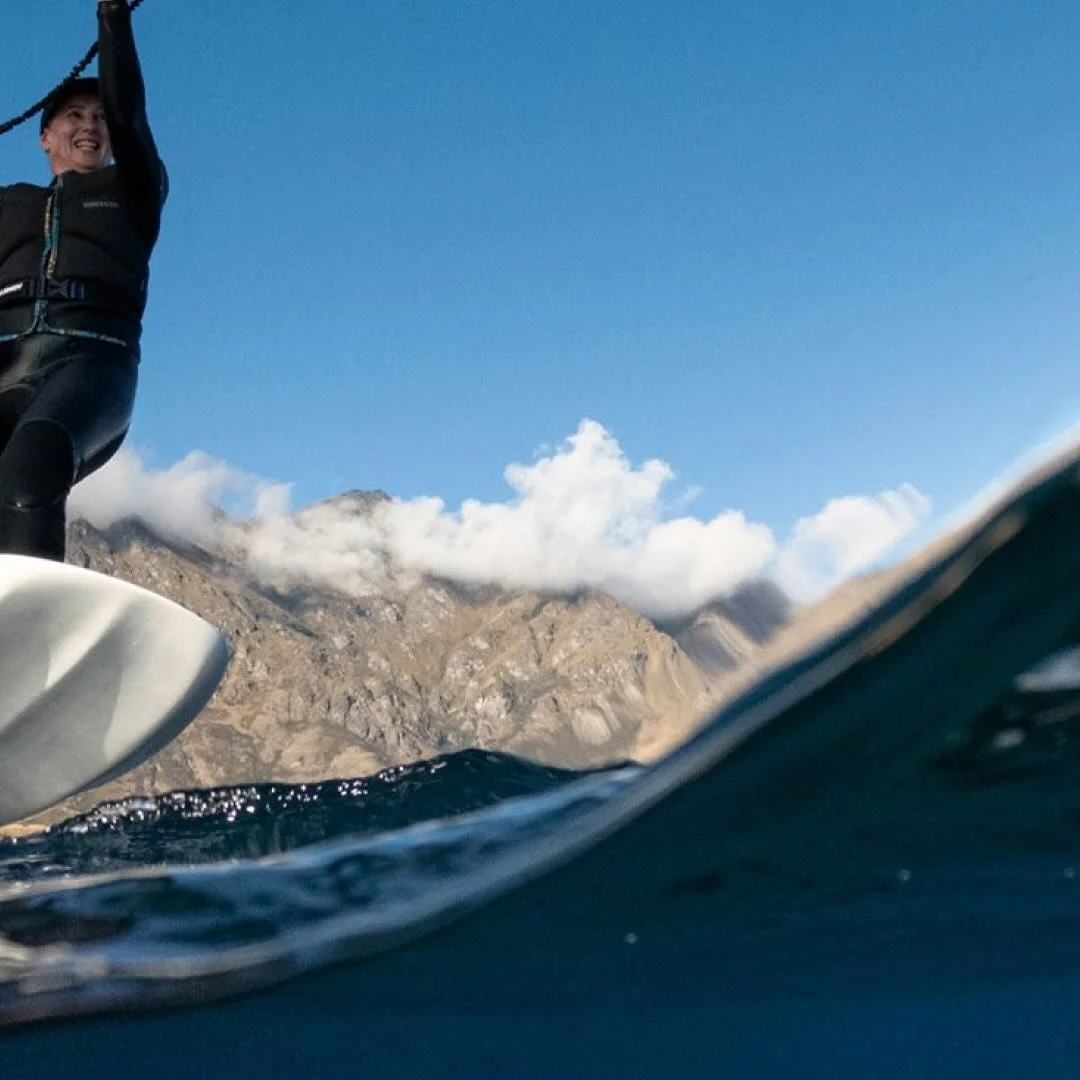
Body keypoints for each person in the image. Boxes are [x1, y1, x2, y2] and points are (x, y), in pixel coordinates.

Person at [0, 0, 167, 561]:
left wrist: (113, 19)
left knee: (31, 463)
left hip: (92, 364)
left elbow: (129, 117)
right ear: (44, 136)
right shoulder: (7, 205)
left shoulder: (133, 193)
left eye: (98, 119)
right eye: (74, 115)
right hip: (7, 364)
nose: (90, 125)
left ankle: (24, 635)